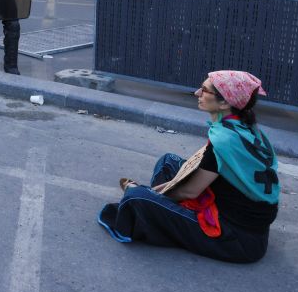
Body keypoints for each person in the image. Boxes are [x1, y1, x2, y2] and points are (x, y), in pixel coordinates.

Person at [97, 71, 279, 264]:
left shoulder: (225, 140)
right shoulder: (245, 127)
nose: (197, 93)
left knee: (135, 199)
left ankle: (153, 210)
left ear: (225, 103)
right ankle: (159, 212)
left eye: (205, 90)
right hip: (247, 226)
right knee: (168, 162)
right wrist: (159, 193)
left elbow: (190, 191)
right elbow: (205, 171)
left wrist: (151, 194)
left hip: (236, 238)